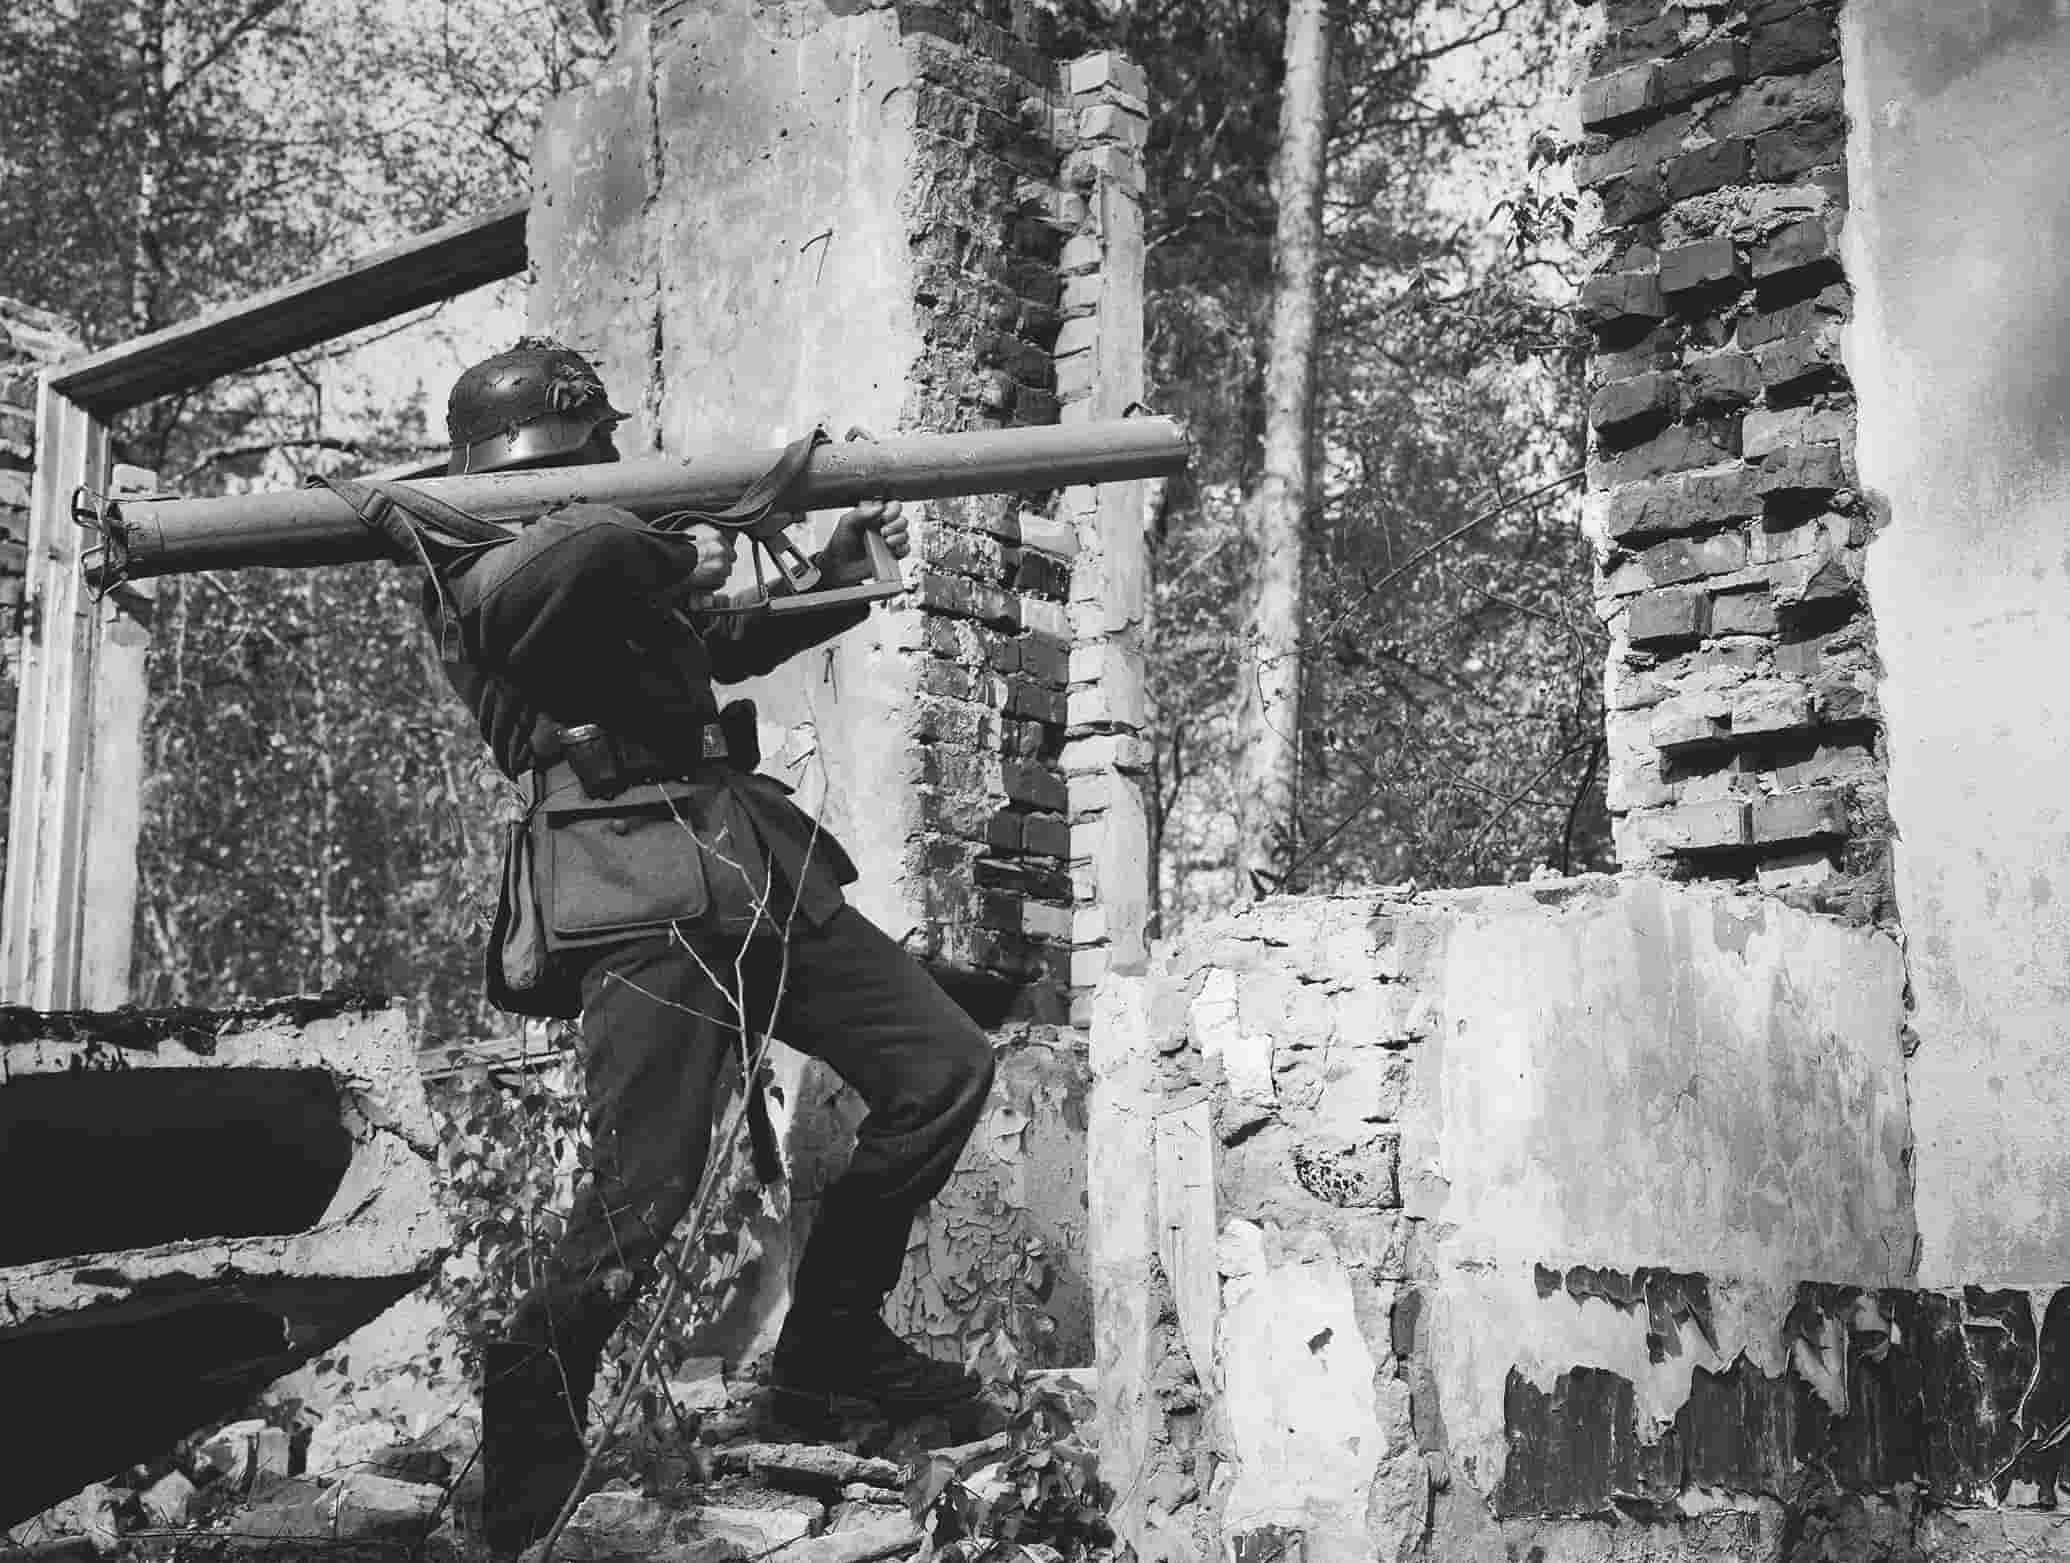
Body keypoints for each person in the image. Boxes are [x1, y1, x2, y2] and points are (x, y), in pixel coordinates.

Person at [427, 339, 997, 1552]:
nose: (606, 471)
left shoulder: (612, 545)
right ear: (534, 463)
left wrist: (835, 567)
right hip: (627, 893)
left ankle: (832, 1335)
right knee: (645, 1198)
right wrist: (696, 515)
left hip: (750, 870)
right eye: (588, 456)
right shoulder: (468, 558)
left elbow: (711, 645)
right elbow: (554, 580)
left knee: (942, 1065)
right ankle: (531, 1412)